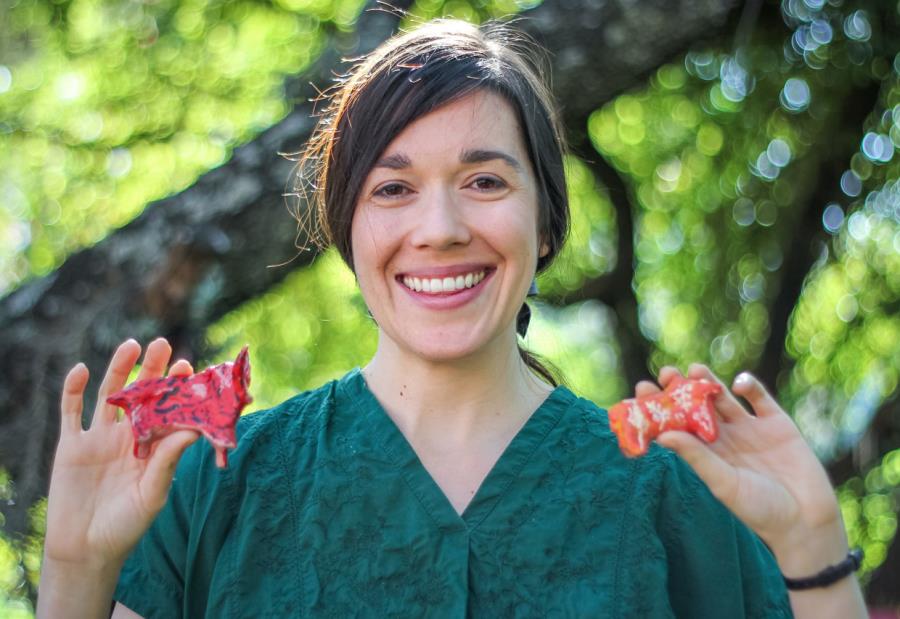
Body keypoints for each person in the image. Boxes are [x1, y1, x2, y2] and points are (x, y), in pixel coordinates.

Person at [37, 18, 867, 619]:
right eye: (392, 188)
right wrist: (76, 572)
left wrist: (813, 550)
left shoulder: (671, 494)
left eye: (485, 181)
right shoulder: (212, 489)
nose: (439, 228)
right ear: (346, 229)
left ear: (546, 220)